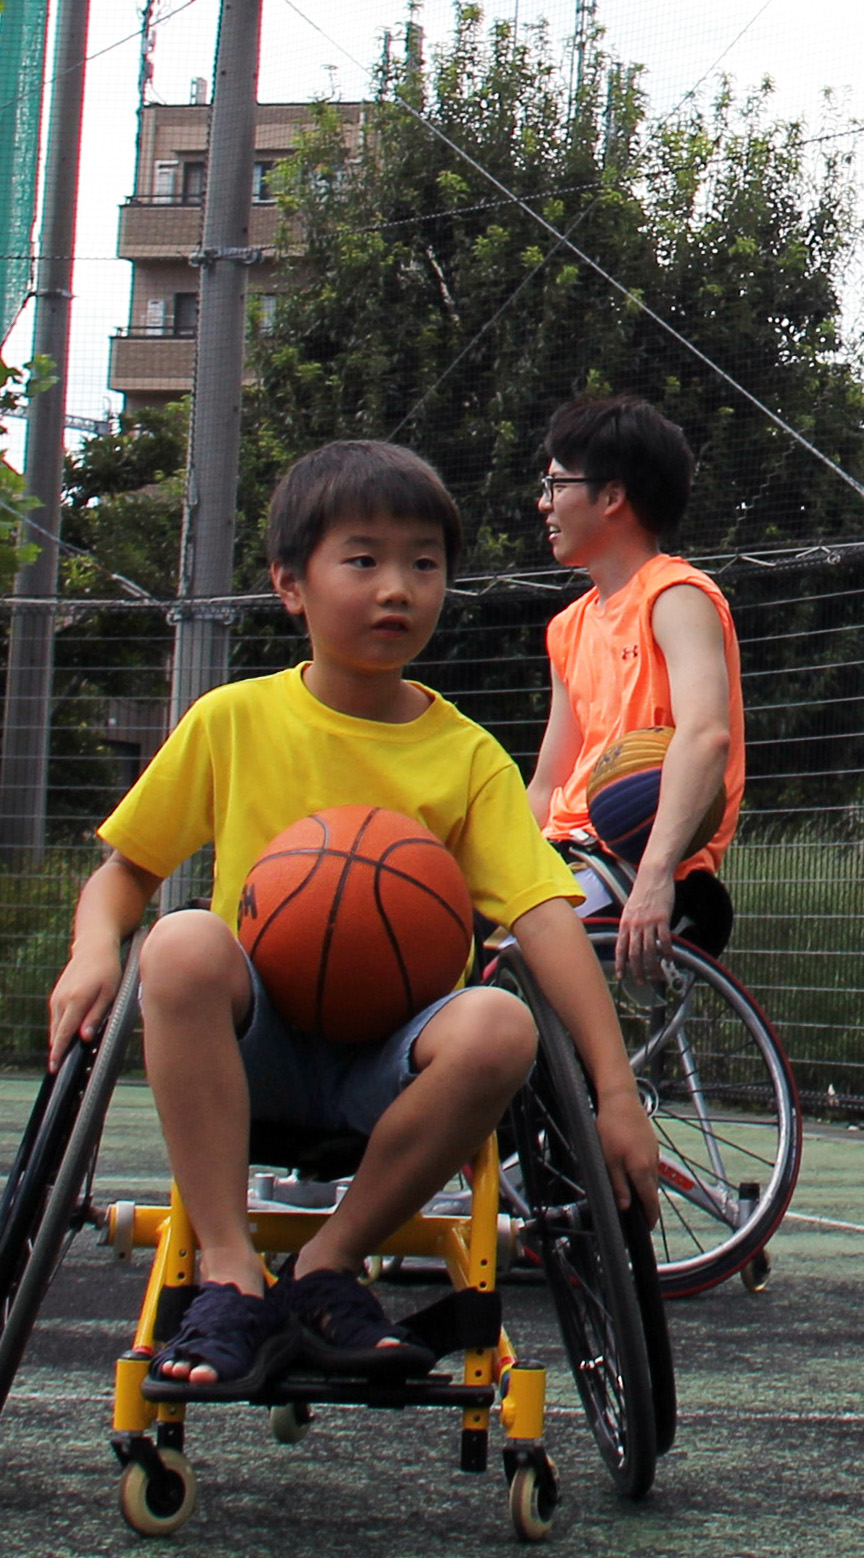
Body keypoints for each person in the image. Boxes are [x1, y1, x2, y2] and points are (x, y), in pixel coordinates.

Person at [47, 440, 661, 1399]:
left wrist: (615, 1094)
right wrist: (93, 949)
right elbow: (124, 876)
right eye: (364, 559)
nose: (398, 588)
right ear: (292, 584)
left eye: (424, 563)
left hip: (395, 1061)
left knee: (501, 1019)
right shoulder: (233, 720)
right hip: (258, 1053)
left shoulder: (464, 756)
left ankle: (327, 1266)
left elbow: (544, 918)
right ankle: (228, 1268)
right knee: (180, 941)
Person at [528, 394, 743, 982]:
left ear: (613, 496)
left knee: (525, 950)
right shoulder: (567, 628)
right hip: (565, 855)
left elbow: (704, 736)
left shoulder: (676, 597)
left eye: (556, 486)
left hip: (639, 862)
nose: (543, 503)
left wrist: (653, 879)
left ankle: (602, 1078)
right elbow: (549, 783)